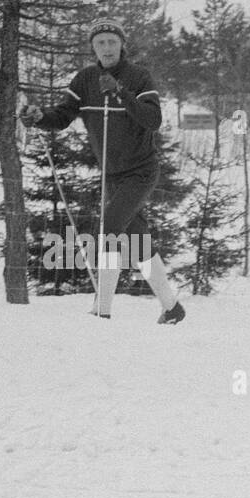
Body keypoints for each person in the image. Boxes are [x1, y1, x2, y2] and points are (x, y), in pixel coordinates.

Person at [20, 18, 184, 324]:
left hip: (141, 170)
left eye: (111, 41)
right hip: (112, 174)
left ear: (122, 45)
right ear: (93, 48)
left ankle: (102, 309)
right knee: (137, 239)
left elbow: (153, 120)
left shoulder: (139, 77)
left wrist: (121, 93)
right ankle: (172, 306)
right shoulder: (84, 80)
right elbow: (62, 115)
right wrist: (39, 117)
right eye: (100, 43)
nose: (106, 48)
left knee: (109, 226)